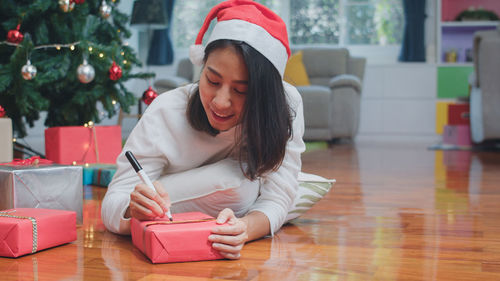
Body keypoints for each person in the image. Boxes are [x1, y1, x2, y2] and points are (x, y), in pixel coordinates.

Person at [101, 0, 305, 260]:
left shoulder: (286, 106)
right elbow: (111, 204)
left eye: (241, 91)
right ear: (201, 66)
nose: (220, 102)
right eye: (212, 80)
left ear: (265, 95)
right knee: (243, 184)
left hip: (229, 202)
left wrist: (244, 229)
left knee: (270, 187)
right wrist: (132, 209)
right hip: (169, 206)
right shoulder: (166, 112)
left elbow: (278, 197)